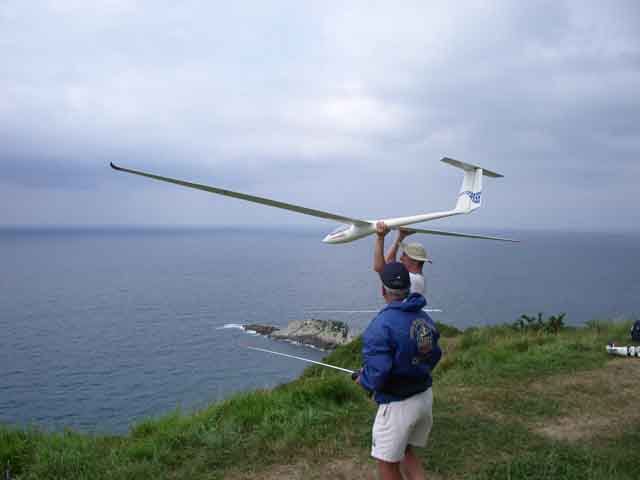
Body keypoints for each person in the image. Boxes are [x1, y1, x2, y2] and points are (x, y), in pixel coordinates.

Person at [354, 262, 442, 480]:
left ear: (382, 290)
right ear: (408, 287)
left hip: (398, 405)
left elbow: (378, 374)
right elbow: (434, 354)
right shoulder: (424, 317)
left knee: (387, 464)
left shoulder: (381, 325)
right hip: (424, 396)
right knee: (406, 451)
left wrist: (363, 379)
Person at [373, 221, 432, 296]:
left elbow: (381, 268)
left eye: (404, 255)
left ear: (415, 262)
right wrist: (401, 236)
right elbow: (389, 264)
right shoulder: (416, 278)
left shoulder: (413, 279)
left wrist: (380, 238)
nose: (401, 258)